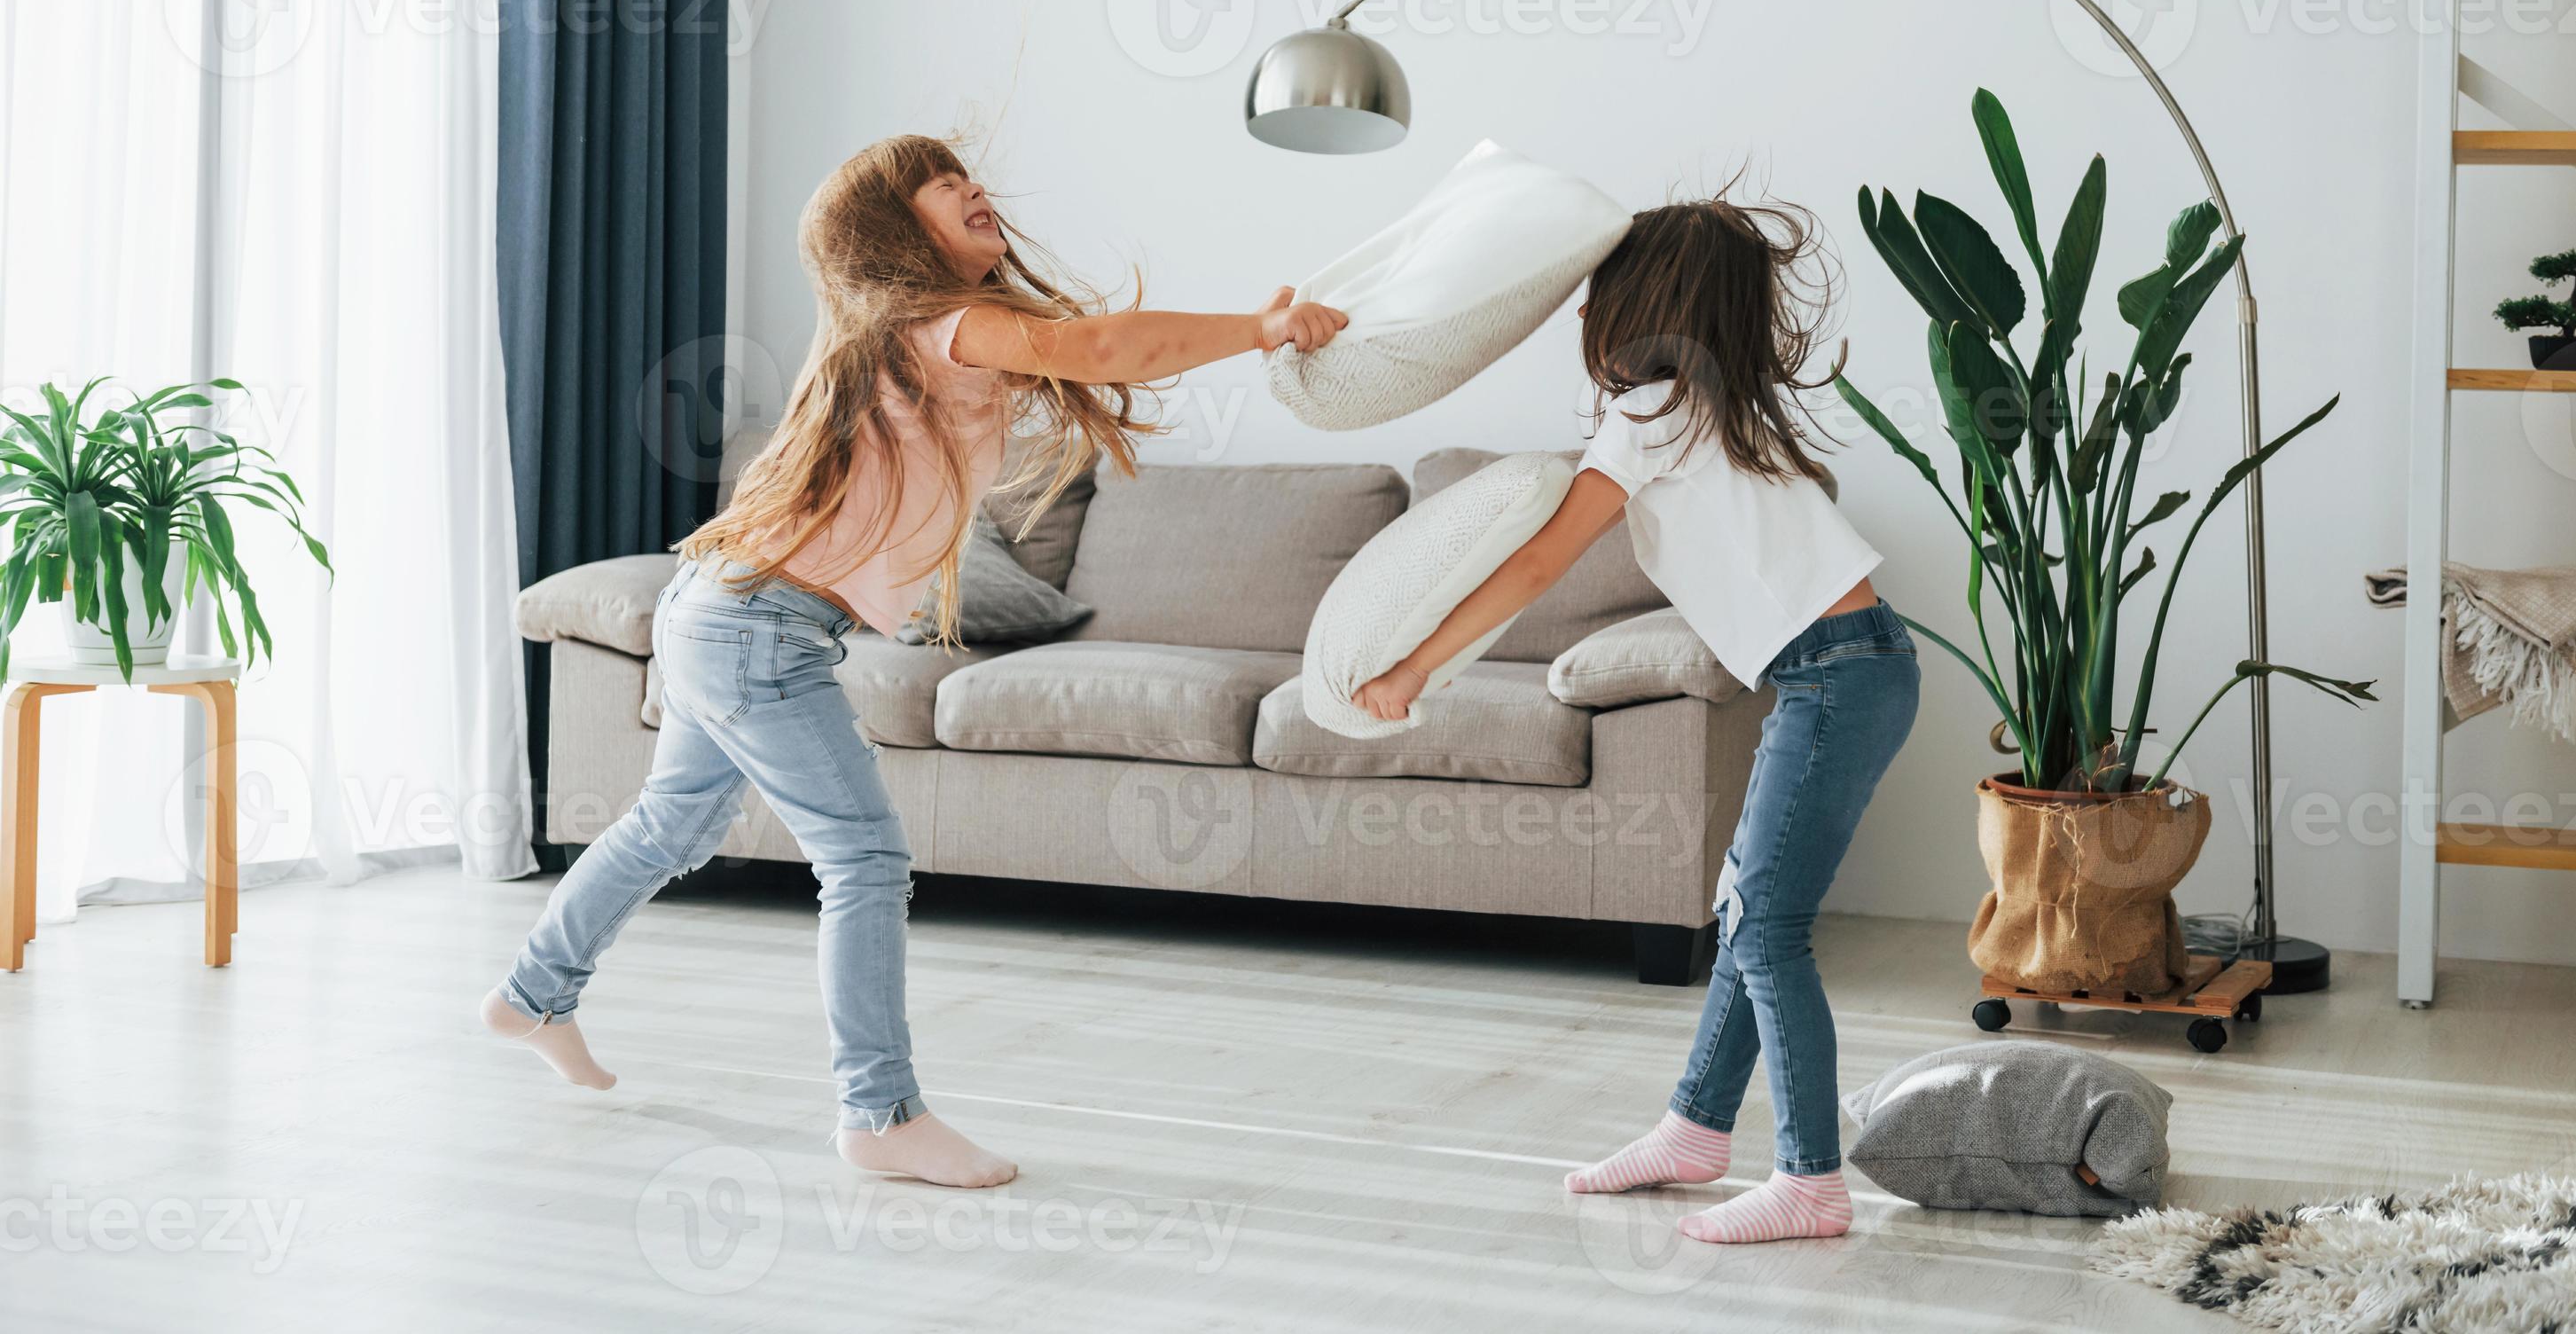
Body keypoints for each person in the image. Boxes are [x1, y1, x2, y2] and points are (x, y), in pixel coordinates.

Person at [482, 134, 1345, 1189]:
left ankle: (533, 993)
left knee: (675, 824)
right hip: (755, 625)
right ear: (896, 231)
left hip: (719, 609)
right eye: (944, 184)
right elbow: (1109, 346)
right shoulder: (937, 327)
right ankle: (879, 1112)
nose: (975, 187)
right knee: (864, 858)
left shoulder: (911, 334)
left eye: (969, 176)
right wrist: (1256, 330)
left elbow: (1085, 351)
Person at [1351, 195, 1915, 1244]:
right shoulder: (1713, 406)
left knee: (1766, 924)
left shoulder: (1650, 412)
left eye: (1599, 291)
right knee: (1749, 909)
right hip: (1854, 668)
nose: (1583, 312)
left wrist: (1413, 665)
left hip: (1833, 675)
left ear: (1642, 302)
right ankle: (1695, 1129)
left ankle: (1809, 1181)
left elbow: (1539, 562)